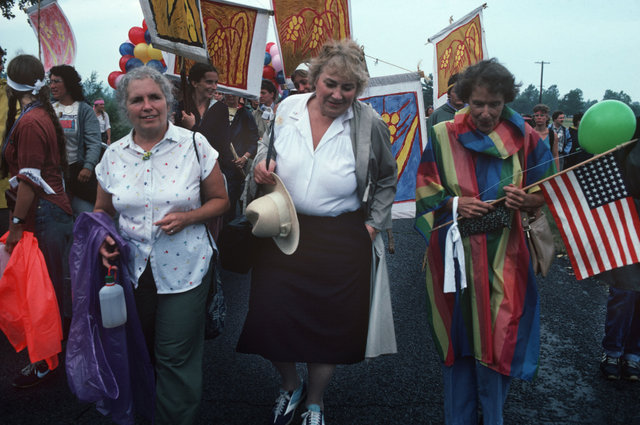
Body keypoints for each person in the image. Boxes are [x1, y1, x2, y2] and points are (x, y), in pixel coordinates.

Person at [237, 39, 397, 425]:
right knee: (270, 315)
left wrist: (374, 224)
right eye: (331, 84)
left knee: (329, 325)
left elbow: (388, 177)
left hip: (341, 237)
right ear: (315, 79)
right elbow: (264, 148)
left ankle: (315, 402)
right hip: (283, 228)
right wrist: (260, 165)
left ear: (358, 90)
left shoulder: (369, 123)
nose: (338, 94)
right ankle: (290, 385)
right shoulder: (288, 107)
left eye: (348, 87)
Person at [415, 59, 556, 425]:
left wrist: (529, 200)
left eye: (494, 104)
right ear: (464, 98)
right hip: (453, 260)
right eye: (477, 103)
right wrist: (457, 203)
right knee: (458, 343)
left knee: (501, 340)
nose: (486, 112)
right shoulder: (443, 134)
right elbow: (425, 191)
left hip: (507, 256)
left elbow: (550, 188)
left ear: (505, 100)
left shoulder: (527, 136)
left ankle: (493, 418)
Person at [94, 66, 229, 424]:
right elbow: (102, 212)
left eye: (154, 97)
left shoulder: (194, 145)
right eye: (137, 99)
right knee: (138, 353)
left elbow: (220, 200)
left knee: (174, 357)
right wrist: (104, 238)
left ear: (168, 102)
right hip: (131, 272)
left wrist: (188, 217)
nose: (147, 105)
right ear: (126, 108)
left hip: (185, 268)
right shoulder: (113, 155)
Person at [2, 54, 74, 388]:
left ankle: (49, 363)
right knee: (48, 290)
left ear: (12, 83)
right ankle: (53, 359)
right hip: (50, 211)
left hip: (43, 212)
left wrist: (16, 225)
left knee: (44, 294)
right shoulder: (40, 113)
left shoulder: (30, 121)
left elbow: (29, 180)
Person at [598, 128, 640, 381]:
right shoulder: (630, 132)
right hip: (627, 222)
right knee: (624, 292)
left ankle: (633, 354)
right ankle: (612, 349)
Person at [49, 65, 102, 215]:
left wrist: (88, 166)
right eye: (51, 82)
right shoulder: (48, 109)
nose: (52, 86)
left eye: (57, 81)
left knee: (84, 213)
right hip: (53, 174)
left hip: (78, 174)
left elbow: (94, 141)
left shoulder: (83, 110)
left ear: (68, 83)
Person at [175, 63, 234, 180]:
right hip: (186, 171)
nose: (214, 87)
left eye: (215, 82)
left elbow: (221, 145)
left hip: (213, 169)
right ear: (195, 83)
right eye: (209, 82)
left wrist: (193, 128)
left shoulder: (220, 109)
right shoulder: (182, 108)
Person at [224, 93, 259, 220]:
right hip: (219, 166)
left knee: (232, 204)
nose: (230, 96)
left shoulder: (245, 114)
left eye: (234, 94)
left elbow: (253, 140)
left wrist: (244, 158)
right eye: (227, 94)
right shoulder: (217, 111)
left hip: (236, 169)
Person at [532, 104, 559, 169]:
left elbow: (555, 155)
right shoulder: (530, 134)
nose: (539, 117)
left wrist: (557, 173)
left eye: (542, 115)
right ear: (534, 117)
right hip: (532, 172)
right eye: (536, 115)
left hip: (548, 171)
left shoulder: (553, 135)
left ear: (547, 117)